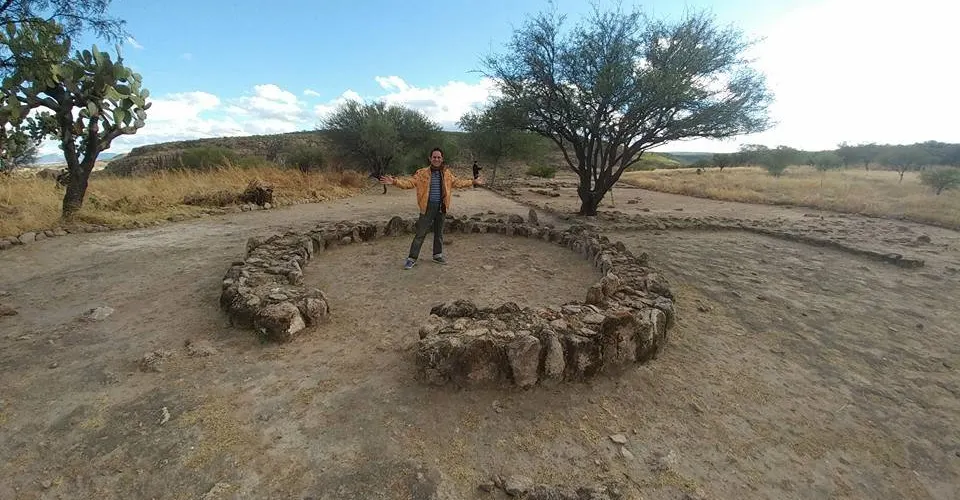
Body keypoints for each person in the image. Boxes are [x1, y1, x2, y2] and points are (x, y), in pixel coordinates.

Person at [381, 148, 484, 269]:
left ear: (442, 159)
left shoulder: (446, 173)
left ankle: (437, 255)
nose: (436, 159)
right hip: (427, 207)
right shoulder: (422, 173)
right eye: (434, 157)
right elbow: (410, 183)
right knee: (420, 233)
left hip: (442, 207)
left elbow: (457, 182)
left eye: (439, 157)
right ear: (430, 158)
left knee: (439, 233)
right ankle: (412, 258)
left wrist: (473, 181)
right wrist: (394, 182)